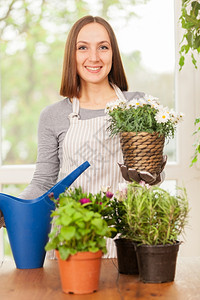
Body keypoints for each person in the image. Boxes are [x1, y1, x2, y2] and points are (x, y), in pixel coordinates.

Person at [0, 16, 165, 255]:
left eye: (103, 47)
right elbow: (44, 182)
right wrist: (12, 210)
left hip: (129, 236)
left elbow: (152, 170)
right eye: (83, 47)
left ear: (113, 54)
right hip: (73, 238)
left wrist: (151, 174)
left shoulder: (139, 105)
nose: (94, 57)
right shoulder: (54, 115)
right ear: (72, 55)